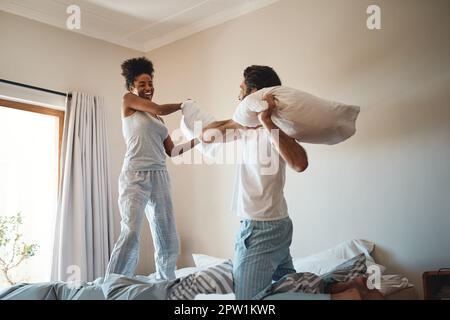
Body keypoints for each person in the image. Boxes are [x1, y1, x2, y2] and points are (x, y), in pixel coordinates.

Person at [202, 65, 309, 299]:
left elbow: (300, 163)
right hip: (276, 223)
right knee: (290, 289)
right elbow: (206, 135)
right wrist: (240, 122)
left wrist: (267, 121)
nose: (237, 96)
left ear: (254, 93)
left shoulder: (276, 127)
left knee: (246, 301)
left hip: (261, 227)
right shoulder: (246, 129)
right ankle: (342, 291)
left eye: (241, 90)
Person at [106, 57, 199, 280]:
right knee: (130, 231)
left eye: (150, 83)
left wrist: (199, 140)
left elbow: (173, 152)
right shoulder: (128, 101)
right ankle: (115, 283)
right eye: (142, 84)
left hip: (160, 175)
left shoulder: (157, 118)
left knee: (167, 233)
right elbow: (159, 107)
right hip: (135, 174)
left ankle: (165, 280)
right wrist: (182, 105)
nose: (148, 88)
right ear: (132, 87)